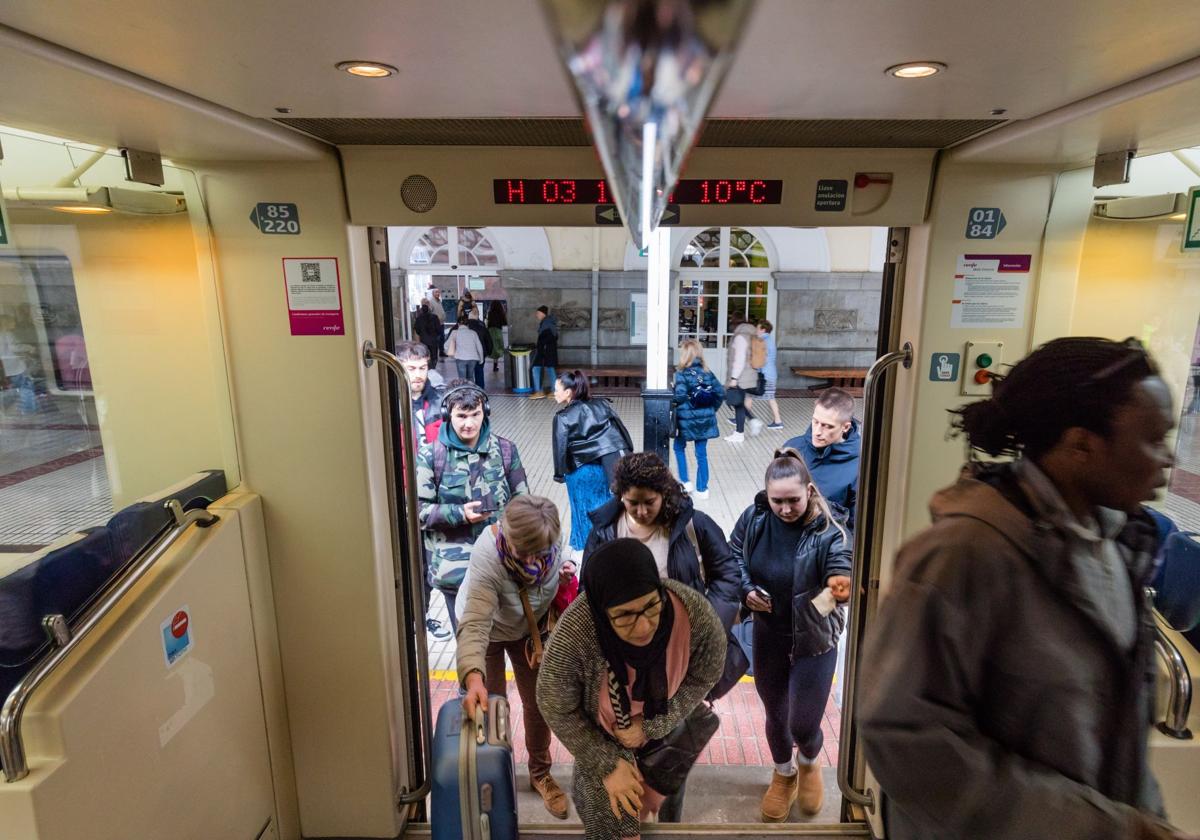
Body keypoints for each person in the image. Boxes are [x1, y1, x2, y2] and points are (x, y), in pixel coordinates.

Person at [859, 337, 1186, 840]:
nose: (1169, 459)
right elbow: (906, 739)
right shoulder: (962, 557)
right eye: (1153, 439)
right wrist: (1106, 831)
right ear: (1081, 446)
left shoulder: (1119, 543)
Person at [536, 538, 726, 838]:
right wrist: (607, 763)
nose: (643, 627)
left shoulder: (693, 614)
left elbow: (707, 671)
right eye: (624, 616)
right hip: (602, 737)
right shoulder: (575, 634)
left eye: (651, 607)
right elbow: (553, 704)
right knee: (614, 824)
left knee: (661, 814)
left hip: (667, 733)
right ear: (601, 611)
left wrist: (654, 724)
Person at [730, 448, 852, 821]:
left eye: (793, 501)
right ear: (766, 495)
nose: (785, 509)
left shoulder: (830, 532)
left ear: (810, 491)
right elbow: (734, 556)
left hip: (814, 641)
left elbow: (841, 581)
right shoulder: (754, 518)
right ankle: (784, 774)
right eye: (777, 500)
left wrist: (820, 603)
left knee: (803, 722)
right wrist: (747, 590)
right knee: (776, 713)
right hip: (768, 633)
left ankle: (810, 761)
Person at [456, 495, 572, 819]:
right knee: (492, 707)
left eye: (541, 553)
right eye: (525, 553)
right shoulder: (488, 555)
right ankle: (495, 775)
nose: (534, 560)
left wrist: (565, 571)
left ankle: (540, 773)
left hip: (527, 631)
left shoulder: (550, 537)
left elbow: (562, 561)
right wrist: (473, 676)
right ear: (508, 537)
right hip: (489, 633)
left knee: (538, 703)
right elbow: (476, 621)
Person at [417, 382, 529, 635]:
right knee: (471, 648)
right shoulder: (431, 455)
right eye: (461, 416)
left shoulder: (505, 450)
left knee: (509, 641)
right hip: (456, 573)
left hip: (502, 567)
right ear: (448, 415)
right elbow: (417, 511)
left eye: (475, 415)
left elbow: (523, 502)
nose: (469, 424)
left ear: (485, 411)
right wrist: (459, 514)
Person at [553, 370, 634, 552]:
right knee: (603, 509)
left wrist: (560, 474)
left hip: (579, 471)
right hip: (602, 470)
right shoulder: (602, 404)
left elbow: (560, 450)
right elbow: (619, 430)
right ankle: (608, 546)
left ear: (568, 392)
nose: (554, 393)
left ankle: (585, 550)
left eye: (556, 389)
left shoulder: (562, 417)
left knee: (581, 512)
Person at [784, 387, 860, 526]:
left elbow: (856, 525)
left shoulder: (860, 465)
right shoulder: (792, 448)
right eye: (815, 422)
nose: (817, 432)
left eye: (827, 426)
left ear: (845, 427)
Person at [672, 339, 725, 500]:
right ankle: (703, 489)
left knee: (678, 447)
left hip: (685, 420)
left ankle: (686, 482)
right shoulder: (707, 372)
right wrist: (711, 409)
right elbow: (720, 393)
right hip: (705, 420)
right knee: (701, 453)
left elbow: (680, 396)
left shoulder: (680, 373)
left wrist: (676, 396)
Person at [396, 340, 445, 447]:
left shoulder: (441, 400)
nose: (418, 375)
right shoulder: (387, 406)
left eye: (422, 368)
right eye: (411, 369)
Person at [724, 313, 762, 443]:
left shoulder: (740, 337)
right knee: (739, 403)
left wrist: (734, 378)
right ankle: (752, 421)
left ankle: (740, 432)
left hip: (741, 376)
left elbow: (739, 360)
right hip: (749, 374)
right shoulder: (752, 334)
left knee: (737, 403)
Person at [744, 319, 783, 430]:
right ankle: (778, 421)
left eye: (757, 328)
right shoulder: (769, 340)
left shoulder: (762, 341)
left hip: (764, 375)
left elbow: (759, 359)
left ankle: (740, 417)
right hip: (770, 374)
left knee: (749, 395)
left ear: (763, 329)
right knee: (769, 397)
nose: (756, 330)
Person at [529, 305, 559, 400]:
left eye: (538, 313)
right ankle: (553, 391)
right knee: (549, 369)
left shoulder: (546, 323)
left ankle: (539, 391)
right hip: (547, 352)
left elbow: (547, 338)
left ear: (543, 313)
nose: (536, 315)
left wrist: (541, 348)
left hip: (544, 351)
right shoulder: (548, 322)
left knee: (536, 368)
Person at [447, 314, 485, 384]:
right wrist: (481, 359)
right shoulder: (473, 333)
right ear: (468, 325)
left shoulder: (455, 332)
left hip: (460, 358)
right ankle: (472, 392)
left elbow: (446, 345)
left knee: (462, 379)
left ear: (458, 324)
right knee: (470, 377)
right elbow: (479, 346)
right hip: (473, 359)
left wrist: (451, 354)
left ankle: (464, 393)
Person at [465, 311, 494, 389]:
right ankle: (480, 390)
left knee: (467, 374)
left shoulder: (463, 327)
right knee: (479, 373)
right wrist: (488, 352)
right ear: (477, 317)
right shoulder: (482, 327)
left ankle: (468, 390)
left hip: (466, 355)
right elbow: (489, 342)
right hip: (480, 354)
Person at [414, 301, 442, 367]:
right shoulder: (435, 317)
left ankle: (427, 366)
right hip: (433, 340)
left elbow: (417, 330)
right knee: (434, 354)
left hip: (424, 340)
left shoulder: (419, 319)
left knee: (425, 354)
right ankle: (433, 366)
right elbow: (439, 329)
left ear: (421, 311)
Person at [487, 300, 507, 373]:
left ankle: (495, 365)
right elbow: (504, 323)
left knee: (493, 347)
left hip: (490, 331)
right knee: (499, 346)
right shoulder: (501, 313)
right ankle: (496, 365)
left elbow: (488, 323)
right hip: (498, 330)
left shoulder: (490, 313)